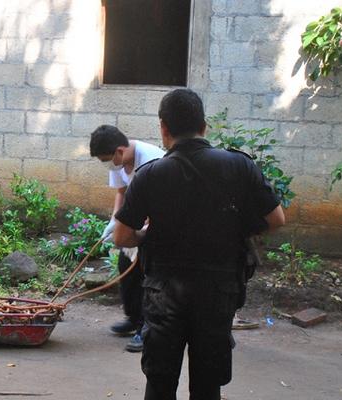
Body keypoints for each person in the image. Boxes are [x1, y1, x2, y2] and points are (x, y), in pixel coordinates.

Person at [113, 88, 285, 399]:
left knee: (160, 382)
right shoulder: (239, 166)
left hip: (163, 293)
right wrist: (237, 230)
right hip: (218, 290)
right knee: (208, 385)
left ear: (164, 128)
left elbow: (122, 236)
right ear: (204, 126)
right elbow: (276, 220)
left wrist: (145, 235)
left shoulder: (149, 174)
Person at [89, 125, 165, 352]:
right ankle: (133, 318)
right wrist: (114, 222)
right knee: (125, 267)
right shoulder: (119, 162)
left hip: (158, 223)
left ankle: (145, 328)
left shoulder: (152, 160)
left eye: (107, 159)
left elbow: (161, 203)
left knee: (144, 273)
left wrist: (139, 229)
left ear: (120, 150)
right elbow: (121, 193)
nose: (107, 164)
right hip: (135, 221)